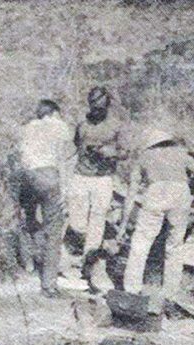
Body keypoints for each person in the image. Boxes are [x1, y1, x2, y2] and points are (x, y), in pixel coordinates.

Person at [121, 129, 194, 303]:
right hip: (180, 193)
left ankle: (131, 288)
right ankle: (170, 292)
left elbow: (132, 191)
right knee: (175, 246)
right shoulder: (180, 153)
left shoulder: (144, 157)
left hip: (156, 192)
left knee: (141, 242)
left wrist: (124, 223)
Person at [65, 86, 125, 280]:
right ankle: (84, 248)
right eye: (94, 107)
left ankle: (88, 262)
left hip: (103, 178)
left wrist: (110, 153)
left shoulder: (116, 126)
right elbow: (76, 145)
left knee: (98, 220)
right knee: (77, 222)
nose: (96, 111)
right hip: (81, 175)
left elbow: (125, 152)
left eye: (100, 108)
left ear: (107, 107)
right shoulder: (82, 124)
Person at [17, 99, 74, 297]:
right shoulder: (60, 126)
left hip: (28, 176)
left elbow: (22, 156)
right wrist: (65, 190)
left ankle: (28, 263)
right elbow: (62, 159)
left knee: (28, 219)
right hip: (49, 176)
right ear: (54, 112)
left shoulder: (28, 127)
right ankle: (49, 284)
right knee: (54, 230)